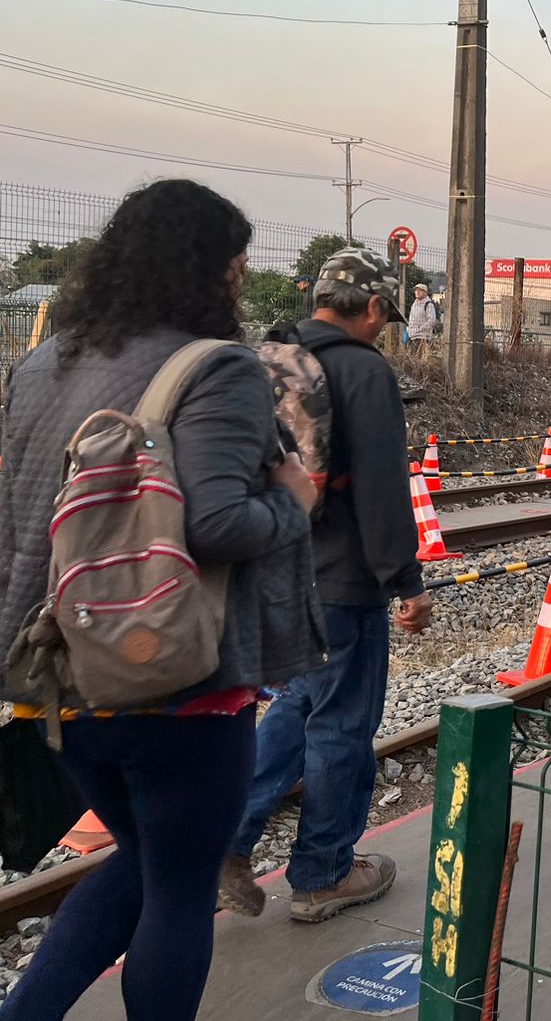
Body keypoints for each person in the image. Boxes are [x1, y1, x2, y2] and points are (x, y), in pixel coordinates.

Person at [0, 180, 323, 1021]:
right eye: (235, 267)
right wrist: (296, 499)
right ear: (205, 270)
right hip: (174, 678)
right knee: (180, 888)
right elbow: (215, 524)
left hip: (60, 675)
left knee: (142, 861)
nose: (239, 286)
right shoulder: (214, 370)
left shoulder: (43, 361)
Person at [219, 248, 433, 923]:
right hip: (343, 581)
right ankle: (323, 874)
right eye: (385, 317)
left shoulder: (268, 357)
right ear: (371, 308)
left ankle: (223, 841)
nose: (385, 329)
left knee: (293, 711)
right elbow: (380, 487)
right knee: (342, 724)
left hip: (278, 570)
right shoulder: (363, 369)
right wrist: (405, 581)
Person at [406, 283, 439, 347]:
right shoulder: (414, 304)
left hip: (422, 338)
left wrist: (420, 329)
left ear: (425, 292)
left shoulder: (428, 304)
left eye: (420, 290)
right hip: (412, 337)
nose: (417, 292)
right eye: (416, 290)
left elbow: (432, 321)